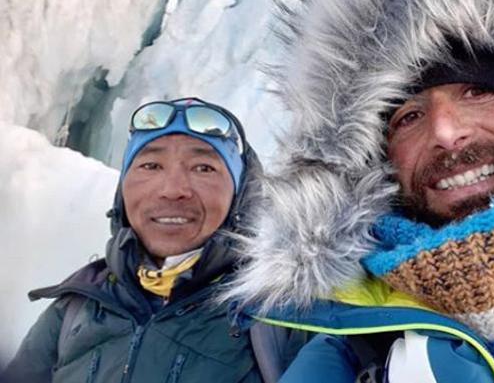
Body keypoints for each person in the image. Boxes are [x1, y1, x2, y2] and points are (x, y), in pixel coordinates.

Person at [223, 0, 494, 382]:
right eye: (409, 117)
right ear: (374, 162)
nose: (447, 133)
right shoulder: (346, 355)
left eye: (476, 92)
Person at [1, 97, 294, 383]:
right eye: (151, 165)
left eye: (203, 168)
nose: (173, 189)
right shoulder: (74, 311)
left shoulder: (282, 317)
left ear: (240, 197)